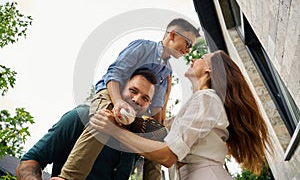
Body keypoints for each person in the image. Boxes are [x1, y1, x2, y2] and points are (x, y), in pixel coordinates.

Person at [90, 50, 274, 180]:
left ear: (209, 69)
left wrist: (115, 132)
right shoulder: (201, 103)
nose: (194, 59)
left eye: (202, 57)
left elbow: (168, 155)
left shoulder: (207, 99)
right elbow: (162, 129)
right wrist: (165, 92)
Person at [57, 18, 200, 180]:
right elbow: (113, 75)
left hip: (136, 111)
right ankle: (68, 177)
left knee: (160, 137)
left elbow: (156, 110)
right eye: (188, 44)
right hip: (111, 95)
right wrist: (118, 102)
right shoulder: (143, 47)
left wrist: (159, 132)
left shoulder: (166, 72)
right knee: (107, 118)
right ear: (173, 35)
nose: (188, 50)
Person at [16, 69, 158, 180]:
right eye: (133, 91)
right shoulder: (81, 117)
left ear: (148, 105)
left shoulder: (136, 143)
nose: (137, 100)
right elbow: (29, 161)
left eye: (145, 98)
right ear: (119, 89)